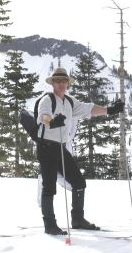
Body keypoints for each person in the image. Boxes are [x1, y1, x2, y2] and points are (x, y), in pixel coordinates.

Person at [37, 67, 125, 235]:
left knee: (79, 183)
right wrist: (52, 122)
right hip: (46, 147)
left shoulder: (70, 102)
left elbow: (89, 109)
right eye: (58, 81)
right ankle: (49, 225)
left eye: (64, 81)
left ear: (68, 83)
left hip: (60, 148)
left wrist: (110, 110)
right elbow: (43, 116)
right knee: (48, 187)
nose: (61, 84)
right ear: (52, 83)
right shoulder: (47, 100)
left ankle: (77, 219)